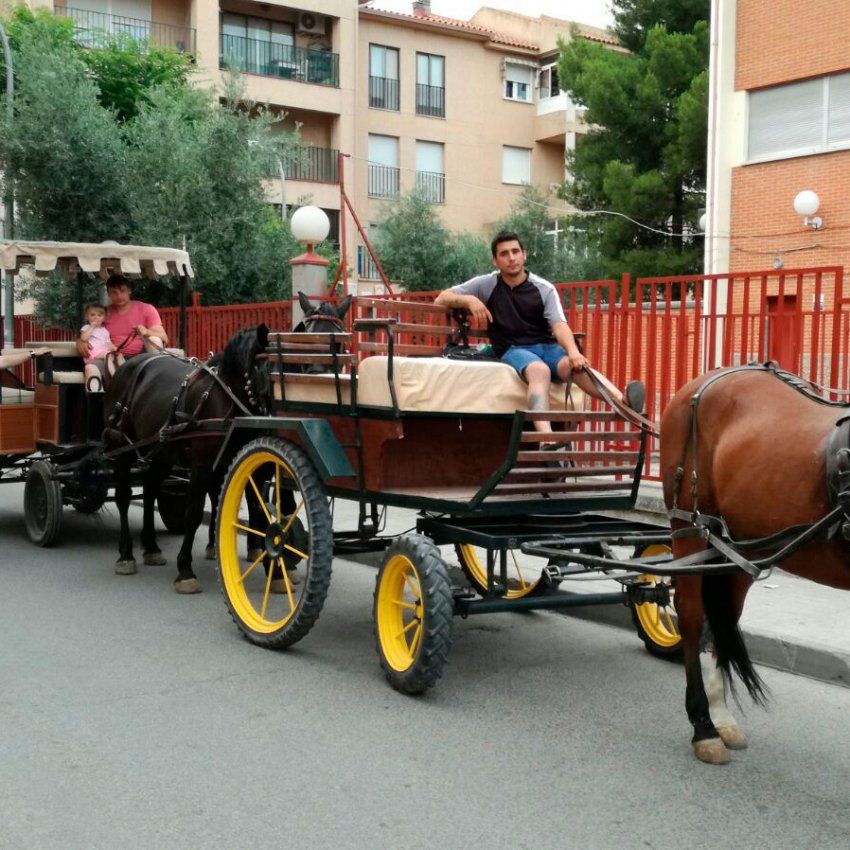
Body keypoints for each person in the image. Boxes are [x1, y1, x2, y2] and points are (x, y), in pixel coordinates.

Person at [434, 230, 645, 444]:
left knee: (576, 368)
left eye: (516, 251)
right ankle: (546, 437)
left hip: (547, 347)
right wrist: (469, 300)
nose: (511, 257)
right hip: (513, 349)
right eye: (504, 254)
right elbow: (441, 299)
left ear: (525, 255)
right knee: (539, 370)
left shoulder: (544, 288)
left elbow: (560, 326)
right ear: (495, 260)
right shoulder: (487, 284)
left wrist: (573, 353)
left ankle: (623, 400)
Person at [75, 274, 168, 373]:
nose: (119, 296)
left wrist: (146, 332)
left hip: (142, 357)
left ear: (129, 290)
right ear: (109, 294)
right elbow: (92, 331)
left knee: (154, 339)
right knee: (90, 368)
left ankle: (158, 375)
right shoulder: (104, 313)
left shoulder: (146, 309)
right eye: (114, 292)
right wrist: (80, 342)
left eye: (122, 291)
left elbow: (164, 337)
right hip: (112, 356)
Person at [79, 303, 124, 392]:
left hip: (103, 352)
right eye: (92, 315)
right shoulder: (87, 327)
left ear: (103, 318)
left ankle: (123, 372)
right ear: (87, 317)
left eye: (99, 315)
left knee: (118, 355)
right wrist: (92, 327)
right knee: (108, 354)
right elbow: (83, 338)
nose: (96, 317)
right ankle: (114, 376)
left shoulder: (105, 331)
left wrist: (115, 349)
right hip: (93, 353)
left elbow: (109, 343)